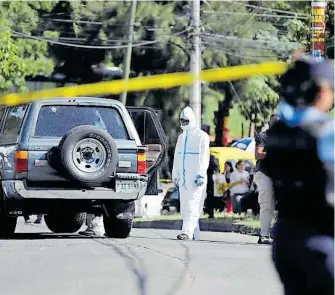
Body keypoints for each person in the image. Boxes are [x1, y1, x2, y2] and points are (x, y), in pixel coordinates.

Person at [266, 57, 334, 295]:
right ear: (323, 91)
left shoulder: (277, 132)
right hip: (322, 243)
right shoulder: (326, 134)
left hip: (286, 240)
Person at [172, 106, 210, 241]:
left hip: (196, 177)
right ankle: (193, 231)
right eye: (182, 120)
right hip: (183, 179)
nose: (183, 123)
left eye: (186, 120)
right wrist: (175, 175)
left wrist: (200, 174)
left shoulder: (201, 136)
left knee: (193, 204)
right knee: (185, 205)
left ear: (192, 120)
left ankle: (186, 232)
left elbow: (204, 156)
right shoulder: (181, 137)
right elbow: (177, 157)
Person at [253, 114, 280, 244]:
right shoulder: (263, 136)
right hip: (265, 174)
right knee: (267, 205)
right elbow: (258, 153)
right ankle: (264, 235)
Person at [206, 154, 221, 218]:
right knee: (210, 195)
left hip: (209, 176)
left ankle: (210, 212)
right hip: (209, 176)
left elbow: (216, 168)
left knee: (210, 195)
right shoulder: (212, 157)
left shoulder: (211, 157)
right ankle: (209, 211)